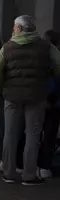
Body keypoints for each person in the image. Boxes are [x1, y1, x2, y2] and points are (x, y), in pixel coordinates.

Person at [0, 15, 60, 185]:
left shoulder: (7, 47)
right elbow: (58, 65)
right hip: (36, 96)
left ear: (19, 29)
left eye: (14, 27)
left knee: (10, 134)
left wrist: (5, 85)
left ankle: (8, 172)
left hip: (12, 97)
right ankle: (29, 175)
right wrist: (48, 79)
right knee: (33, 135)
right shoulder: (46, 46)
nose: (13, 30)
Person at [39, 30, 60, 179]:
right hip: (54, 102)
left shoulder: (40, 57)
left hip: (39, 99)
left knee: (34, 133)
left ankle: (32, 164)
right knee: (50, 134)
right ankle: (45, 166)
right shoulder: (55, 58)